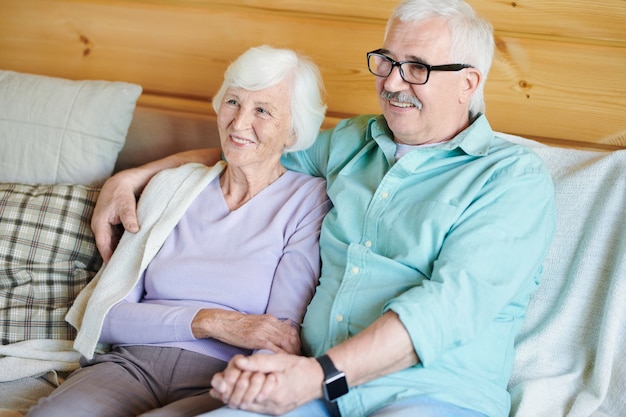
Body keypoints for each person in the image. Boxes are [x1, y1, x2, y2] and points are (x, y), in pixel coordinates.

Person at [90, 1, 557, 416]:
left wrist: (317, 375)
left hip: (428, 393)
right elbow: (251, 145)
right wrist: (130, 176)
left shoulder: (511, 178)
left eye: (417, 68)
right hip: (311, 393)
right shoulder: (353, 142)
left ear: (467, 83)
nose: (392, 82)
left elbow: (449, 308)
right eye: (388, 61)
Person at [26, 45, 331, 417]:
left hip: (224, 377)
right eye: (233, 101)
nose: (238, 123)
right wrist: (213, 322)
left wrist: (247, 386)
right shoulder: (175, 188)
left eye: (262, 110)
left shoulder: (307, 201)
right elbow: (106, 316)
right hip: (131, 366)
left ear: (293, 131)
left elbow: (279, 337)